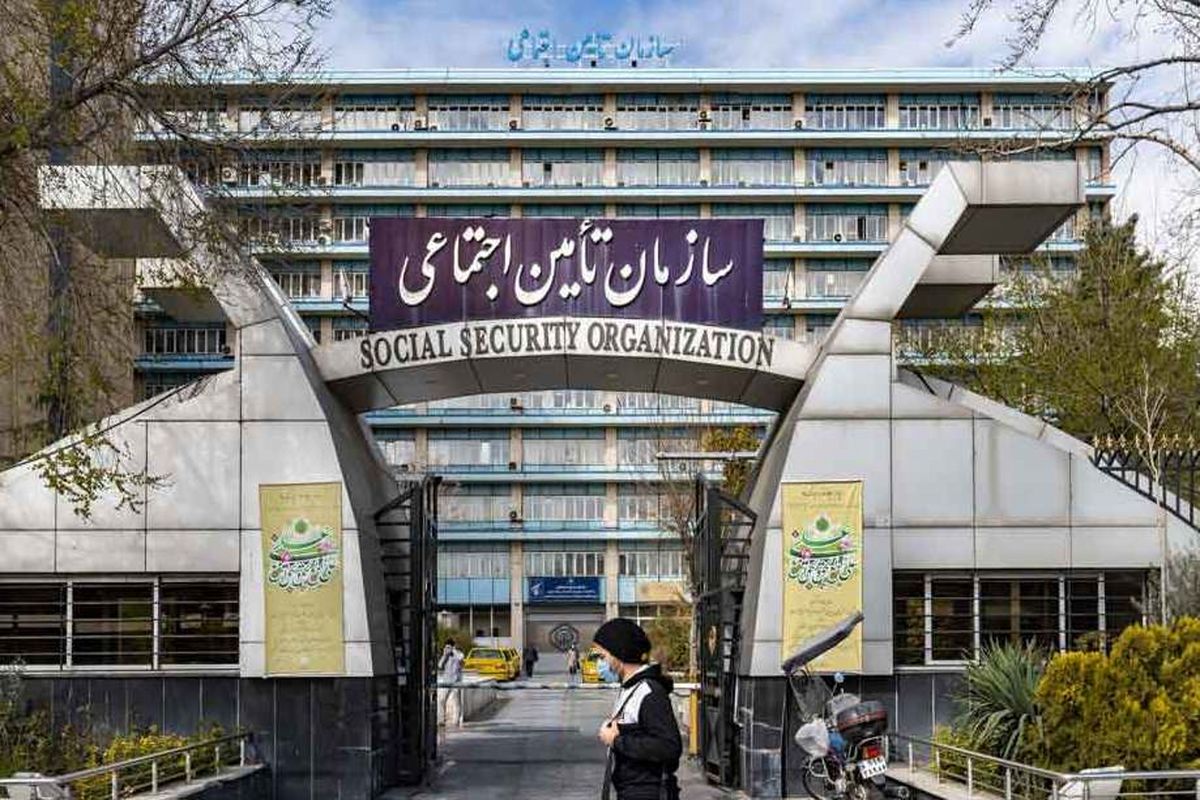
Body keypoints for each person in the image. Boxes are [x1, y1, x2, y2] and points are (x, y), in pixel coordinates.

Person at [593, 618, 682, 800]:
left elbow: (669, 746)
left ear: (619, 654)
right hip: (630, 790)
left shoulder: (649, 692)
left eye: (603, 657)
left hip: (649, 791)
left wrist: (616, 740)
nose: (600, 664)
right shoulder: (630, 687)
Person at [437, 642, 464, 728]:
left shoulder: (458, 654)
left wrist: (453, 651)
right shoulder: (445, 656)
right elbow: (440, 665)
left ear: (453, 647)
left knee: (456, 702)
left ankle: (456, 721)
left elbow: (461, 659)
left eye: (449, 647)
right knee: (441, 700)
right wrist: (444, 655)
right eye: (446, 647)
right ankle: (441, 720)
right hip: (446, 681)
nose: (447, 649)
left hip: (456, 681)